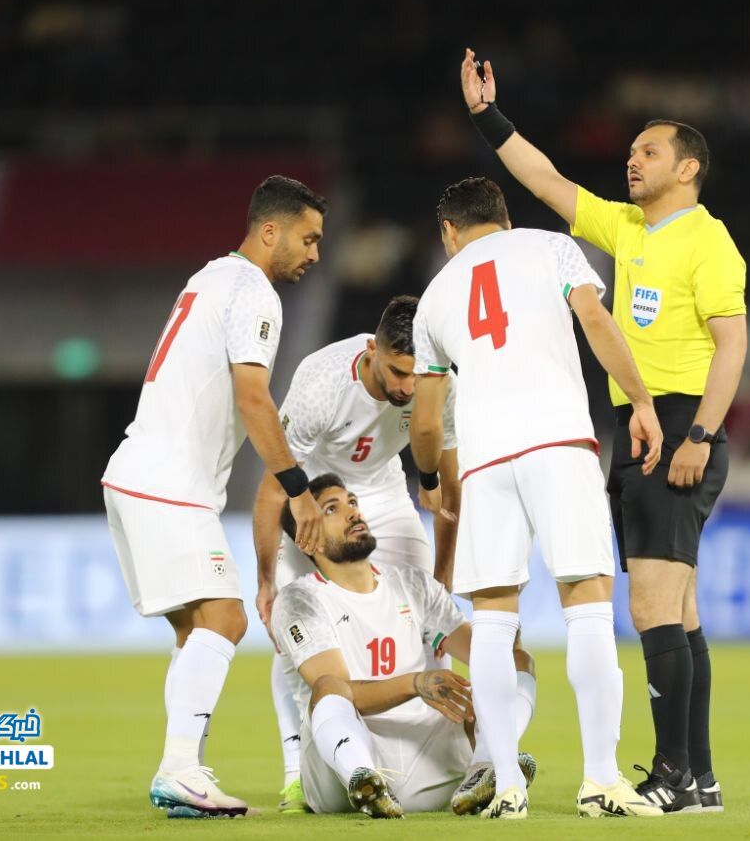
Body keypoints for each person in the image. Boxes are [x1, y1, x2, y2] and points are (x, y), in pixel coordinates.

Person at [459, 49, 748, 813]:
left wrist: (701, 436)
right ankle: (702, 778)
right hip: (645, 425)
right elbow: (548, 181)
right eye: (629, 152)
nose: (632, 160)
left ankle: (672, 776)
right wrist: (490, 117)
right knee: (679, 613)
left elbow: (734, 344)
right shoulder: (628, 230)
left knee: (652, 606)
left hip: (680, 423)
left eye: (648, 151)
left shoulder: (708, 240)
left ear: (687, 168)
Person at [408, 176, 664, 819]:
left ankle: (507, 786)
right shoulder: (549, 247)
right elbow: (595, 320)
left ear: (448, 234)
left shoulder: (434, 298)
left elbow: (428, 422)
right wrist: (639, 400)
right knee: (587, 606)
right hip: (559, 442)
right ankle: (601, 780)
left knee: (492, 620)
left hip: (488, 462)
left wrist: (432, 479)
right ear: (504, 217)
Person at [100, 175, 327, 817]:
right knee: (226, 617)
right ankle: (179, 769)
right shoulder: (254, 291)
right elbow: (253, 398)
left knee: (194, 629)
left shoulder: (208, 277)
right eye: (308, 240)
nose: (315, 254)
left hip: (138, 474)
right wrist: (299, 492)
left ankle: (185, 773)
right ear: (270, 231)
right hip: (169, 482)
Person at [253, 295, 461, 812]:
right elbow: (274, 486)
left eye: (416, 376)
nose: (407, 388)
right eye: (396, 372)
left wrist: (443, 573)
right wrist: (266, 580)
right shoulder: (323, 381)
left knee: (430, 620)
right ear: (372, 350)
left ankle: (432, 748)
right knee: (293, 634)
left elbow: (450, 489)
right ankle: (298, 770)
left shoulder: (439, 382)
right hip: (318, 497)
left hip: (387, 493)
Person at [272, 473, 538, 817]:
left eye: (352, 502)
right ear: (307, 539)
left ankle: (488, 766)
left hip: (427, 756)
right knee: (328, 688)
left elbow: (482, 653)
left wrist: (504, 611)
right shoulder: (300, 599)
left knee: (514, 659)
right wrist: (416, 684)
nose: (353, 513)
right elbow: (338, 688)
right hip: (340, 772)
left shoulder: (410, 583)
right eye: (331, 509)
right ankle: (363, 779)